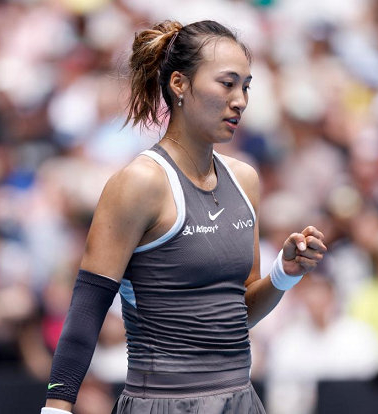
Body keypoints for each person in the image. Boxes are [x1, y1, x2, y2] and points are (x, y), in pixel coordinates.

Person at [41, 19, 327, 414]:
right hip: (162, 404)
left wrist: (283, 274)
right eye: (227, 84)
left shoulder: (245, 179)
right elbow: (86, 311)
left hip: (241, 401)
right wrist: (55, 409)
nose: (240, 100)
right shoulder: (139, 183)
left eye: (246, 86)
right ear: (179, 84)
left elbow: (237, 314)